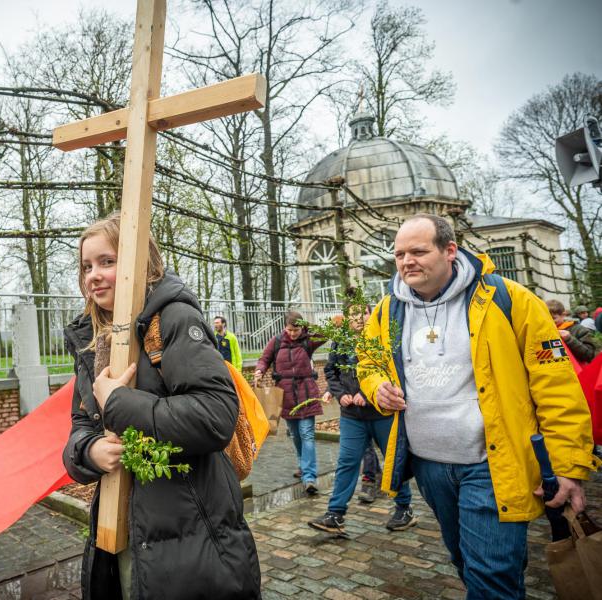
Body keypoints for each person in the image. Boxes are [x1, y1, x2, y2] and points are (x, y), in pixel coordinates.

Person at [359, 214, 598, 599]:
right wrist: (377, 386)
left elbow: (557, 388)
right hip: (429, 466)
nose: (407, 262)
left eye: (418, 251)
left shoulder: (511, 299)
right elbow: (367, 361)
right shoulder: (388, 311)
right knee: (466, 563)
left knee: (491, 576)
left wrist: (569, 466)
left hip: (492, 467)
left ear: (450, 250)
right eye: (400, 254)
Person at [62, 213, 260, 600]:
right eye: (86, 266)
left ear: (141, 261)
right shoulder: (91, 339)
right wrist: (90, 450)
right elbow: (79, 425)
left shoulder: (173, 317)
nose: (93, 276)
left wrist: (119, 403)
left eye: (107, 262)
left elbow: (215, 414)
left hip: (192, 527)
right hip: (120, 531)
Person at [308, 303, 416, 535]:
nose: (357, 318)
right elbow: (331, 372)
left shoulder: (382, 340)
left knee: (393, 460)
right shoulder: (341, 341)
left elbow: (392, 371)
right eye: (352, 314)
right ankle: (335, 514)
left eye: (362, 313)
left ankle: (404, 508)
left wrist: (367, 394)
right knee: (347, 461)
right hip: (352, 416)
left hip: (382, 414)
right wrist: (340, 393)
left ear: (370, 315)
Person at [254, 311, 325, 493]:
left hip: (306, 392)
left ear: (302, 327)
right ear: (285, 327)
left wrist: (308, 327)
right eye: (290, 329)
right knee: (295, 435)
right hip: (285, 395)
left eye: (297, 329)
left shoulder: (307, 340)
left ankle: (309, 477)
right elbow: (264, 359)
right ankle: (303, 466)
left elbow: (325, 334)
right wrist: (259, 371)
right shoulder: (276, 341)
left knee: (307, 433)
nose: (293, 333)